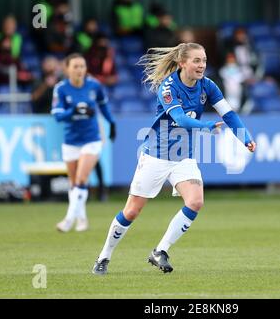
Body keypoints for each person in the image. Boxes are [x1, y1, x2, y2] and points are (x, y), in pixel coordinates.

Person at [92, 42, 256, 275]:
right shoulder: (168, 87)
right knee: (132, 211)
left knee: (195, 201)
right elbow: (180, 119)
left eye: (204, 60)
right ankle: (103, 257)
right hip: (156, 155)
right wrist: (206, 126)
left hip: (184, 156)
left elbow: (228, 113)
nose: (202, 65)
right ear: (182, 63)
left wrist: (245, 137)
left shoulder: (208, 86)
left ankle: (160, 250)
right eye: (196, 61)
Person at [51, 53, 116, 232]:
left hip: (91, 139)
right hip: (71, 140)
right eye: (76, 66)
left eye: (82, 66)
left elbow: (103, 106)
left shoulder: (94, 86)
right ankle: (82, 219)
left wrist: (112, 123)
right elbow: (57, 116)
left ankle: (68, 220)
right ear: (67, 69)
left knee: (81, 178)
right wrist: (74, 110)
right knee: (74, 183)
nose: (80, 70)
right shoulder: (61, 89)